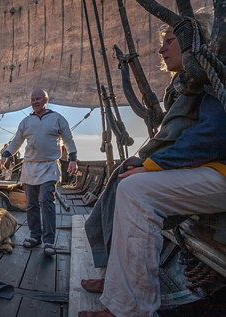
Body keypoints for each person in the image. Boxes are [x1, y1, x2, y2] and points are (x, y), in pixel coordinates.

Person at [78, 8, 226, 317]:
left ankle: (130, 308)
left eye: (170, 39)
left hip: (219, 171)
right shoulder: (186, 85)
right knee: (125, 179)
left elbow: (213, 135)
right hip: (207, 169)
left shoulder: (214, 72)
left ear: (192, 39)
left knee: (134, 190)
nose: (161, 48)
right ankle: (115, 284)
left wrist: (154, 165)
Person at [0, 89, 78, 256]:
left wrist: (72, 159)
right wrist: (5, 156)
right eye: (32, 99)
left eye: (38, 99)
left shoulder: (57, 118)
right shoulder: (26, 121)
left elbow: (68, 140)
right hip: (29, 168)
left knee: (47, 201)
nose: (34, 102)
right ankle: (35, 236)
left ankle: (49, 241)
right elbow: (16, 142)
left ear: (46, 100)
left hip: (49, 167)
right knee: (31, 204)